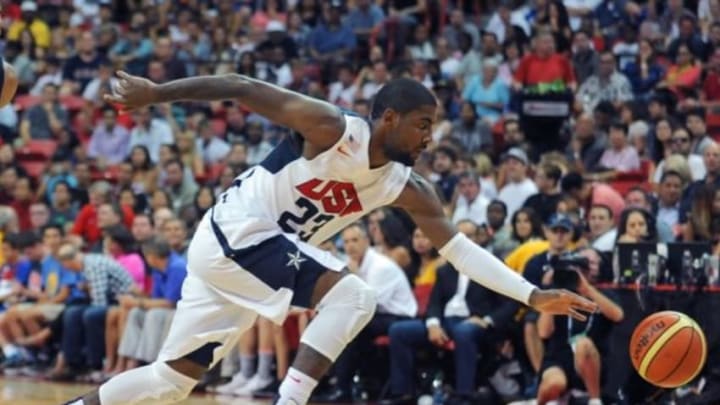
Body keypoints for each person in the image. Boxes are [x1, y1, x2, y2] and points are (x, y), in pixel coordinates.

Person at [65, 71, 596, 405]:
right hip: (238, 234)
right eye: (421, 123)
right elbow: (240, 87)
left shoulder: (406, 188)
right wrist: (158, 94)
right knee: (353, 293)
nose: (430, 136)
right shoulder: (332, 129)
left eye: (433, 125)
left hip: (247, 258)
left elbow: (459, 250)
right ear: (387, 118)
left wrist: (531, 295)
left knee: (172, 381)